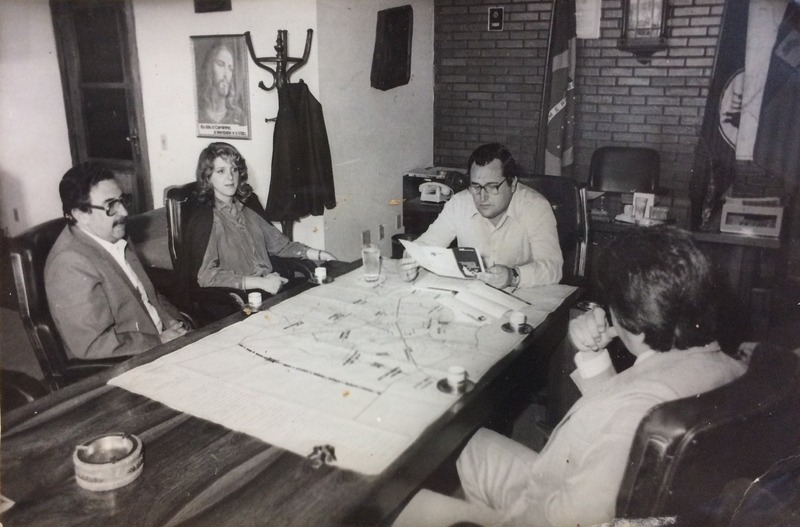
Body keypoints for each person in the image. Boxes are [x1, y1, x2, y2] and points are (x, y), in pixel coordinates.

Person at [393, 226, 747, 527]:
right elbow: (625, 405)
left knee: (402, 509)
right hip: (569, 485)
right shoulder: (729, 367)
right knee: (465, 444)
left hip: (546, 515)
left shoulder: (636, 415)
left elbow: (567, 517)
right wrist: (592, 355)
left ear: (630, 318)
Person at [45, 163, 188, 360]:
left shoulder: (115, 234)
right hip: (131, 360)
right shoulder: (69, 263)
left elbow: (149, 296)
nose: (124, 212)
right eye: (111, 206)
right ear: (81, 214)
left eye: (122, 200)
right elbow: (92, 344)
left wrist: (173, 322)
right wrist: (160, 341)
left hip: (162, 342)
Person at [181, 142, 336, 296]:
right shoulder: (206, 220)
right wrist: (260, 283)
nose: (230, 177)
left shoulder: (249, 206)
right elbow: (207, 276)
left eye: (234, 169)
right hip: (239, 298)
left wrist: (320, 254)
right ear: (208, 178)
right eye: (221, 171)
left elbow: (281, 246)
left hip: (271, 286)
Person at [400, 143, 563, 288]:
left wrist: (512, 276)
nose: (482, 197)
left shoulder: (535, 207)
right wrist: (411, 260)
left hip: (523, 295)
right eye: (476, 186)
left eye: (492, 187)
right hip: (473, 295)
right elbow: (427, 244)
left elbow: (553, 267)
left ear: (512, 183)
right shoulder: (459, 203)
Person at [197, 40, 246, 126]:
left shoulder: (239, 116)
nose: (226, 75)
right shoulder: (198, 113)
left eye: (230, 68)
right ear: (209, 68)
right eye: (220, 65)